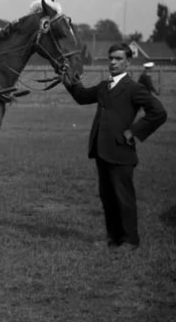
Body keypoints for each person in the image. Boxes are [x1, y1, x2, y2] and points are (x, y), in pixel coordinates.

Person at [64, 43, 167, 251]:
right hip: (102, 150)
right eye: (111, 58)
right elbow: (82, 97)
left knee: (123, 198)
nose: (113, 62)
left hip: (121, 151)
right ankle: (113, 238)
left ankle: (130, 240)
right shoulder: (104, 86)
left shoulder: (134, 88)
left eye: (118, 59)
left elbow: (159, 112)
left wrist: (134, 132)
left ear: (128, 62)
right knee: (108, 197)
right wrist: (70, 82)